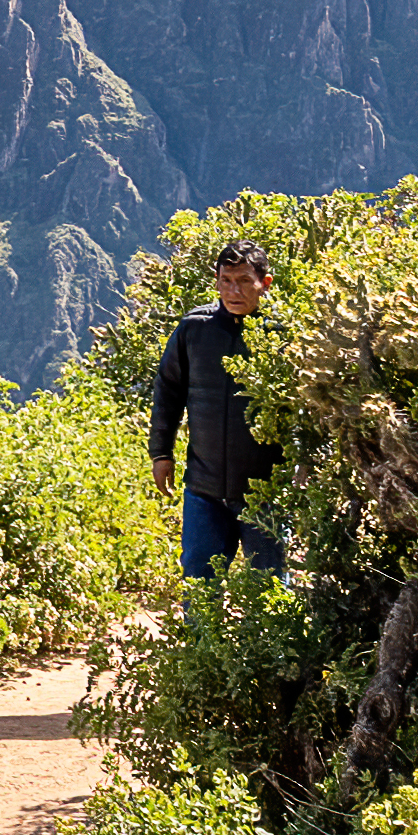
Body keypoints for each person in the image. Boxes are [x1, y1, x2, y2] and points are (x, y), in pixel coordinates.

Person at [144, 239, 282, 582]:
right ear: (217, 281)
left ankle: (269, 639)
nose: (233, 291)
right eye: (225, 280)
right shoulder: (195, 329)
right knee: (198, 583)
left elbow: (307, 407)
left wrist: (305, 465)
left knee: (269, 586)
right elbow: (168, 391)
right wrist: (161, 453)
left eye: (243, 281)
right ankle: (201, 639)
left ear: (264, 283)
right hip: (204, 490)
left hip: (264, 492)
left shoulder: (281, 334)